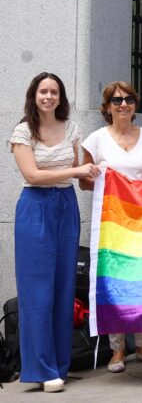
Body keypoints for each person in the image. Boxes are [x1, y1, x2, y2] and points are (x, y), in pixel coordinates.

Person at [9, 73, 100, 392]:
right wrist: (77, 170)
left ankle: (60, 364)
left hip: (66, 205)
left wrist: (100, 175)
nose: (48, 96)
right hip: (35, 208)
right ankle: (41, 368)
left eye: (54, 92)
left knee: (63, 288)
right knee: (37, 290)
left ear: (61, 98)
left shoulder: (72, 128)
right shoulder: (23, 131)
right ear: (34, 96)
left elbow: (77, 175)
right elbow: (32, 175)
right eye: (43, 91)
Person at [80, 81, 142, 373]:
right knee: (115, 282)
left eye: (129, 99)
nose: (123, 105)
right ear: (107, 107)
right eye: (116, 101)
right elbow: (84, 181)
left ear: (135, 104)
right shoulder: (96, 140)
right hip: (112, 222)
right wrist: (103, 180)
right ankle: (116, 350)